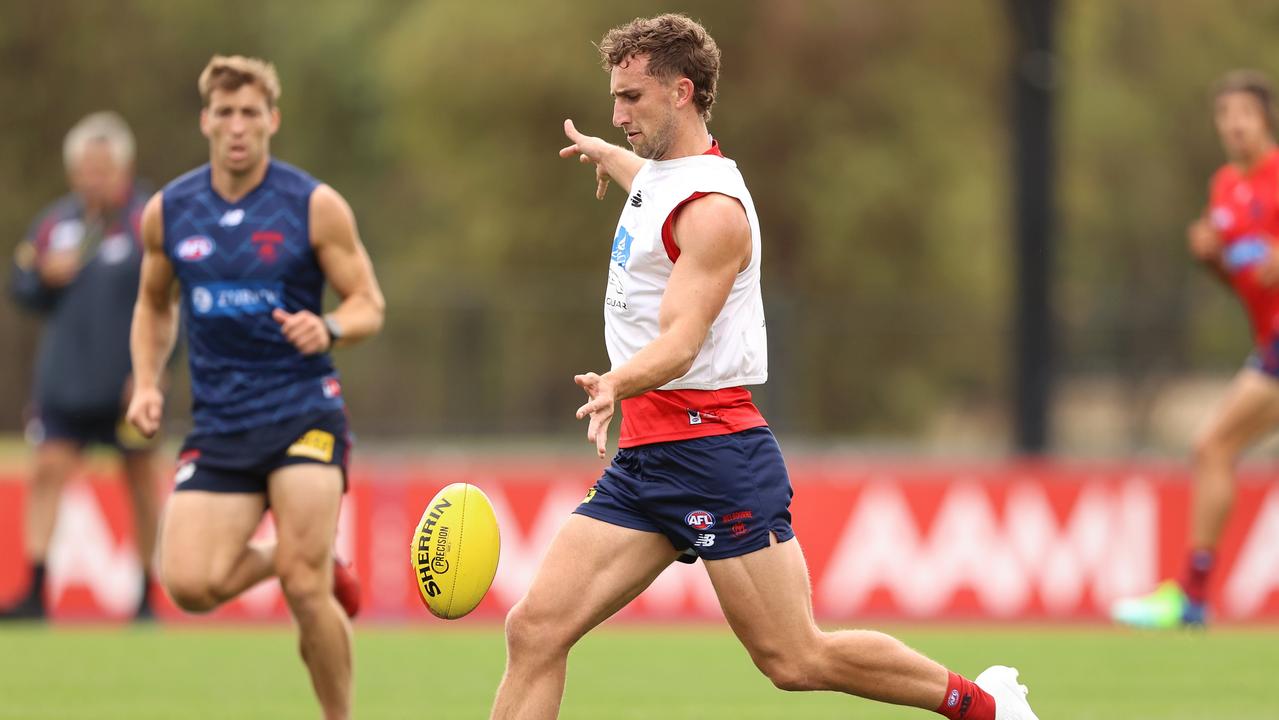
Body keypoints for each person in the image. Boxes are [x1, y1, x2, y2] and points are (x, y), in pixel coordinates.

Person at [490, 14, 1038, 720]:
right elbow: (655, 191)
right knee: (535, 630)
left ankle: (983, 705)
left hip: (712, 450)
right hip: (648, 458)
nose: (617, 112)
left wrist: (615, 383)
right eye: (614, 98)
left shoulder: (712, 211)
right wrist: (610, 155)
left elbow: (683, 341)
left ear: (682, 92)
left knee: (794, 658)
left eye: (632, 98)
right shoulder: (662, 177)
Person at [127, 55, 383, 720]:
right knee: (188, 584)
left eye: (250, 113)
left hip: (303, 412)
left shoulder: (313, 204)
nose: (237, 126)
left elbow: (368, 305)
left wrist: (327, 327)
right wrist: (148, 384)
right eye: (225, 113)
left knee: (304, 589)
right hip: (218, 422)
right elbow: (155, 305)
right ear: (205, 121)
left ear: (272, 120)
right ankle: (306, 555)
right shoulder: (170, 212)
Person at [1113, 69, 1279, 629]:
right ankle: (1194, 595)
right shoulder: (1225, 189)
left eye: (1245, 114)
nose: (1234, 124)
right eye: (1225, 114)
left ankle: (1193, 596)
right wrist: (1210, 258)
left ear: (1265, 119)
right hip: (1269, 340)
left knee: (1213, 444)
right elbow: (1248, 281)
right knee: (1213, 449)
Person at [3, 111, 163, 621]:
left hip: (126, 386)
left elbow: (170, 304)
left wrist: (150, 374)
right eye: (85, 169)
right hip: (65, 383)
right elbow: (21, 287)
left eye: (104, 168)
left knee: (139, 480)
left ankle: (145, 595)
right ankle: (35, 589)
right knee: (48, 470)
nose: (94, 178)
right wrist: (44, 278)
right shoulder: (56, 224)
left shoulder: (147, 222)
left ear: (125, 167)